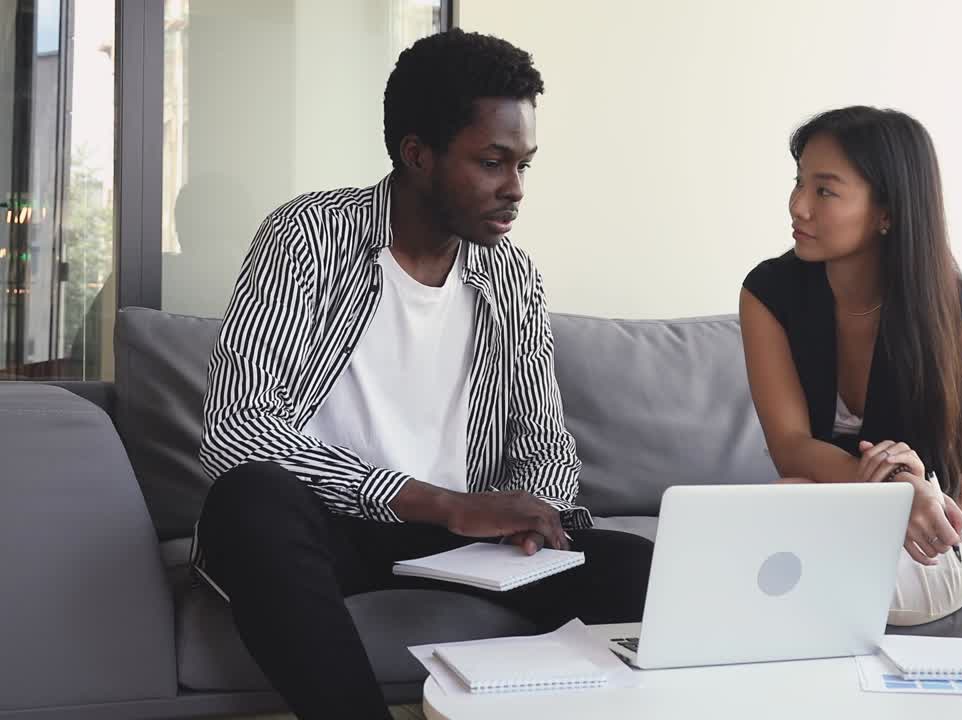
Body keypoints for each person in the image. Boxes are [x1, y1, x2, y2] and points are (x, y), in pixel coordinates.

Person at [192, 29, 652, 719]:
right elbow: (237, 430)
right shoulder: (308, 238)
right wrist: (442, 501)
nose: (515, 190)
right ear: (417, 154)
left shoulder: (512, 277)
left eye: (525, 164)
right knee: (251, 498)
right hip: (329, 528)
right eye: (493, 162)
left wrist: (533, 519)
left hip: (460, 543)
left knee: (641, 569)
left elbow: (544, 446)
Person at [740, 105, 962, 627]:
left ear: (887, 211)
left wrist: (924, 497)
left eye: (824, 190)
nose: (797, 206)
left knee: (774, 579)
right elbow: (790, 448)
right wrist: (888, 488)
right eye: (799, 184)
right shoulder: (769, 293)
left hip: (940, 535)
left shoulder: (959, 310)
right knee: (755, 519)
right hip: (836, 507)